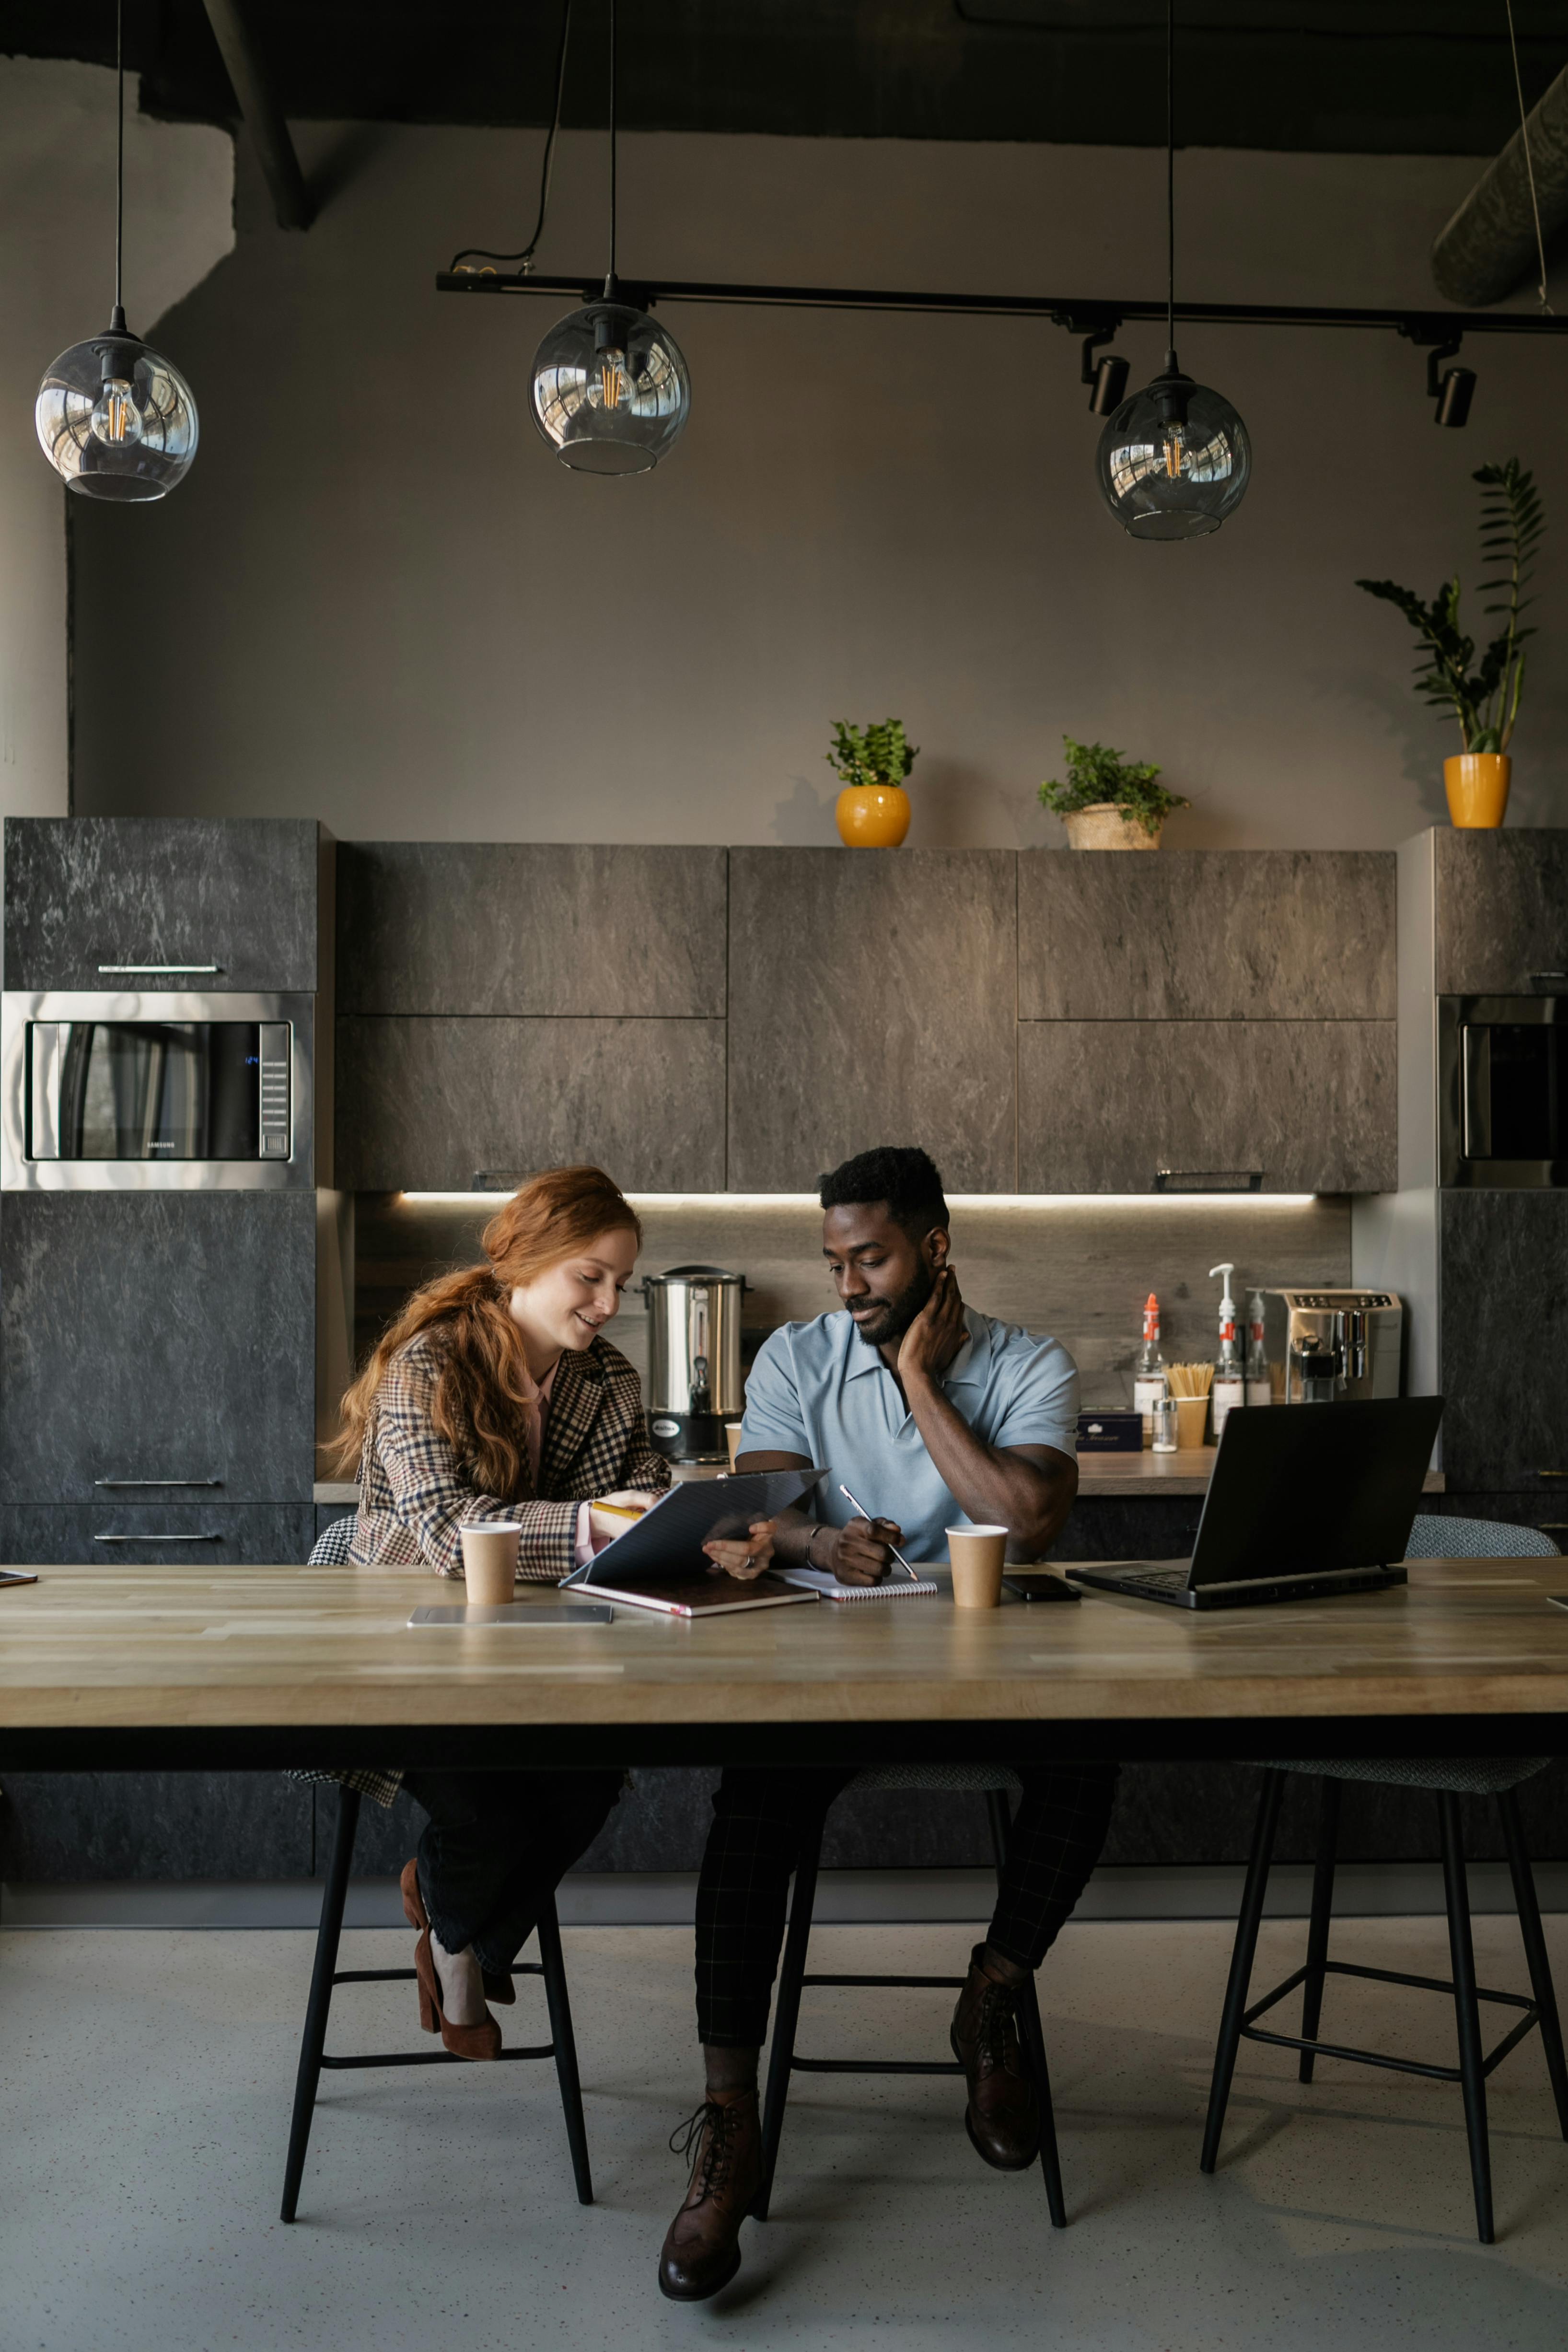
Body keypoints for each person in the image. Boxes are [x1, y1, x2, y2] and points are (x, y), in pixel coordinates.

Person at [657, 1145, 1117, 2301]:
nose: (848, 1284)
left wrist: (920, 1377)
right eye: (835, 1261)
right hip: (830, 1673)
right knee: (750, 1800)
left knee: (1088, 1753)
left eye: (869, 1258)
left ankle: (993, 1997)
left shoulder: (1026, 1362)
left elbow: (1025, 1519)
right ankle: (728, 2122)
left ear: (935, 1249)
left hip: (983, 1672)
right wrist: (819, 1544)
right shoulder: (793, 1358)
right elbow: (747, 1522)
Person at [332, 1164, 775, 2059]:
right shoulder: (428, 1362)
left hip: (542, 1646)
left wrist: (714, 1537)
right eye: (591, 1275)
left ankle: (463, 1924)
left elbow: (646, 1503)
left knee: (589, 1780)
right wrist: (601, 1524)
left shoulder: (604, 1379)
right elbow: (453, 1536)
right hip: (400, 1642)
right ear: (525, 1263)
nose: (611, 1302)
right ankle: (460, 1952)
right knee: (493, 1812)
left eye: (621, 1281)